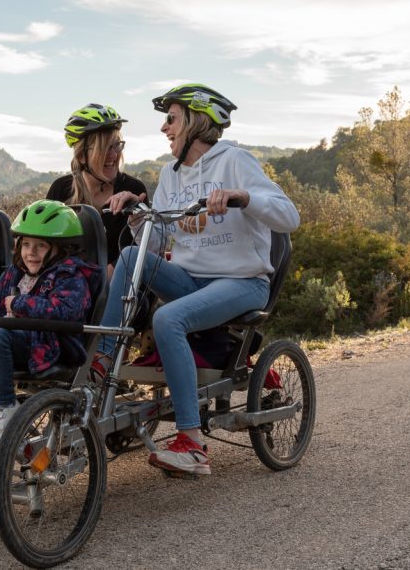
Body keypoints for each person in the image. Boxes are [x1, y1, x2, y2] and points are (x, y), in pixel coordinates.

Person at [103, 83, 300, 476]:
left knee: (167, 319)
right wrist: (139, 214)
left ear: (195, 120)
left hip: (242, 282)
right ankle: (101, 361)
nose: (164, 128)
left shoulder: (236, 161)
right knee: (129, 257)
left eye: (170, 119)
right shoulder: (170, 174)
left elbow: (288, 216)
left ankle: (192, 443)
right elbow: (156, 241)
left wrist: (243, 198)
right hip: (193, 280)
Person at [0, 200, 102, 449]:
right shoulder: (12, 275)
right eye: (26, 244)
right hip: (10, 343)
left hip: (49, 345)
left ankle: (5, 405)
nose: (31, 252)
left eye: (41, 246)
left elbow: (67, 312)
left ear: (60, 249)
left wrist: (21, 303)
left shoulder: (70, 277)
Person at [46, 104, 148, 278]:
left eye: (117, 146)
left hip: (119, 287)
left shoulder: (133, 190)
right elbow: (46, 246)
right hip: (68, 288)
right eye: (105, 148)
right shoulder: (61, 190)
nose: (114, 156)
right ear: (81, 156)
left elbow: (138, 253)